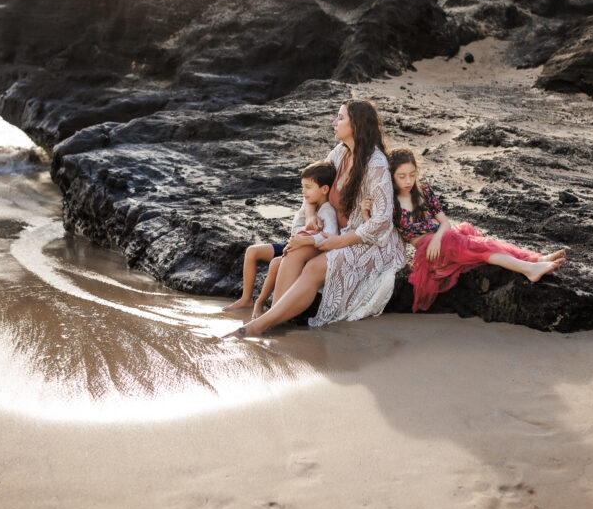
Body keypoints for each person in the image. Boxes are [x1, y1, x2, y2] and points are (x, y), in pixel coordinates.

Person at [224, 100, 405, 337]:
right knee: (293, 251)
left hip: (367, 243)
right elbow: (314, 190)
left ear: (357, 125)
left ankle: (258, 326)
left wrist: (337, 243)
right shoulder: (339, 153)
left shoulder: (376, 163)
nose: (334, 122)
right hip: (335, 233)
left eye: (340, 118)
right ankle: (274, 320)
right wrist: (311, 214)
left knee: (313, 267)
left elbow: (382, 222)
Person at [387, 147, 565, 312]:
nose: (408, 180)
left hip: (442, 238)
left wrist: (437, 238)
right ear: (392, 176)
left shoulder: (424, 191)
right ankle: (529, 268)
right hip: (430, 253)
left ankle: (535, 259)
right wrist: (365, 213)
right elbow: (377, 232)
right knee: (477, 246)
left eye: (412, 174)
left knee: (481, 243)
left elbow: (445, 222)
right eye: (401, 176)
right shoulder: (391, 204)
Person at [224, 160, 338, 318]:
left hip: (305, 250)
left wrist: (307, 237)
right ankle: (246, 299)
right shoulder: (309, 203)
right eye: (302, 186)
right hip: (292, 243)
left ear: (324, 189)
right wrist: (304, 230)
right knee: (252, 251)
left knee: (275, 263)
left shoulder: (327, 211)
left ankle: (261, 303)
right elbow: (297, 227)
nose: (303, 192)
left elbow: (331, 236)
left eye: (308, 187)